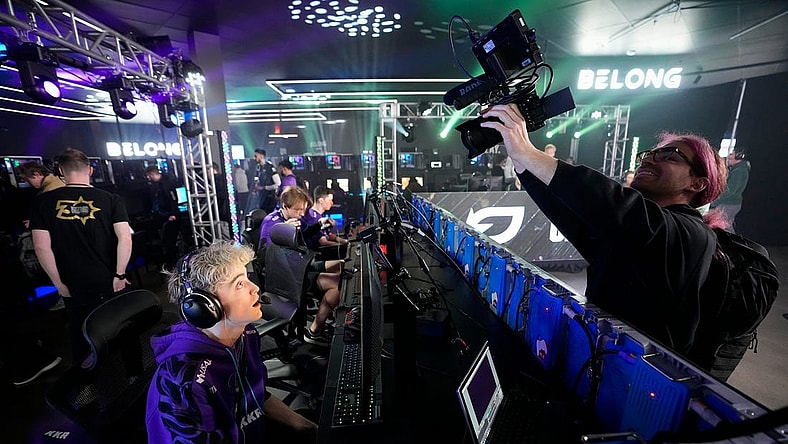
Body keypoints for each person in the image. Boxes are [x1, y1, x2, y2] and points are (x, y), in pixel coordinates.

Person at [480, 104, 728, 363]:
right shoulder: (633, 229)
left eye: (670, 156)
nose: (649, 158)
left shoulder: (692, 234)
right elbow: (573, 215)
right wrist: (521, 163)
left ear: (697, 183)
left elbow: (617, 208)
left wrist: (528, 152)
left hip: (644, 376)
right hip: (605, 356)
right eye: (650, 153)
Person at [145, 241, 317, 443]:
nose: (255, 288)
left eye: (247, 278)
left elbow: (256, 395)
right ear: (206, 307)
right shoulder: (186, 383)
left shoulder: (246, 334)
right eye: (239, 284)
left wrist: (307, 427)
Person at [30, 148, 133, 365]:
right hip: (108, 277)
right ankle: (131, 376)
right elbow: (125, 238)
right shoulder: (111, 199)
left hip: (72, 280)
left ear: (60, 171)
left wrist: (58, 283)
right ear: (90, 169)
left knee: (81, 331)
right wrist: (120, 273)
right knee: (121, 324)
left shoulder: (43, 202)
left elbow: (41, 247)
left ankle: (89, 386)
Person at [259, 186, 342, 346]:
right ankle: (314, 331)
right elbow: (269, 256)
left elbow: (301, 238)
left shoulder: (288, 219)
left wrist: (317, 226)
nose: (302, 214)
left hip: (298, 270)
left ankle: (318, 327)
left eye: (303, 210)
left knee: (340, 275)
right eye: (298, 210)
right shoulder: (272, 223)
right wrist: (285, 231)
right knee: (335, 284)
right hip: (286, 279)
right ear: (284, 206)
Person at [18, 161, 67, 310]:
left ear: (37, 174)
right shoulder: (58, 182)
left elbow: (56, 218)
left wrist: (35, 224)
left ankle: (66, 297)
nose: (28, 183)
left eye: (27, 179)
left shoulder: (49, 192)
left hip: (62, 239)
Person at [146, 165, 188, 268]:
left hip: (171, 216)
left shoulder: (166, 184)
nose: (149, 178)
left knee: (171, 240)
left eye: (149, 175)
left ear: (152, 174)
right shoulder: (159, 184)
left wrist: (174, 214)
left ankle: (173, 263)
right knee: (169, 240)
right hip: (165, 215)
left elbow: (173, 199)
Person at [710, 149, 750, 232]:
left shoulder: (739, 171)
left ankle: (731, 244)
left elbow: (730, 191)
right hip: (729, 203)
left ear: (739, 156)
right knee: (724, 226)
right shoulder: (737, 169)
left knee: (724, 226)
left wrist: (715, 202)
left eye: (731, 154)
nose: (729, 157)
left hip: (729, 204)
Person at [302, 186, 348, 253]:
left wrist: (344, 241)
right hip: (318, 253)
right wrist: (341, 246)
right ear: (321, 200)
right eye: (330, 200)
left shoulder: (320, 215)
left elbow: (329, 235)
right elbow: (323, 242)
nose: (332, 203)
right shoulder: (312, 217)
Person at [251, 149, 278, 213]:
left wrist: (264, 188)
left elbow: (277, 184)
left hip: (270, 199)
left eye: (255, 156)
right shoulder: (258, 168)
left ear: (261, 156)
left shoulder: (270, 167)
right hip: (261, 198)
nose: (254, 158)